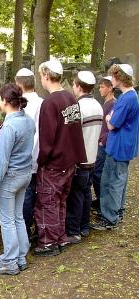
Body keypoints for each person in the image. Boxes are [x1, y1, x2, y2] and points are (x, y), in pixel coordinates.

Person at [34, 60, 87, 256]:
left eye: (41, 75)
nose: (41, 79)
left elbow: (46, 138)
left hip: (54, 163)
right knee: (61, 201)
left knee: (48, 202)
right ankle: (60, 237)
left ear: (47, 75)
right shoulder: (71, 98)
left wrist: (41, 160)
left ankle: (48, 242)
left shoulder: (50, 102)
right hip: (70, 160)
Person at [0, 83, 35, 275]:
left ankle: (10, 261)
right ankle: (21, 256)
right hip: (25, 174)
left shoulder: (9, 127)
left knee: (7, 220)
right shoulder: (28, 121)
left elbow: (2, 163)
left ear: (5, 102)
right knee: (18, 217)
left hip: (11, 177)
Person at [92, 64, 139, 230]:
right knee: (120, 179)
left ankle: (109, 218)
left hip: (118, 145)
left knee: (111, 181)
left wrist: (108, 119)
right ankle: (117, 211)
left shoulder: (126, 99)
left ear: (120, 77)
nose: (111, 79)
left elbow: (112, 124)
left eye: (113, 76)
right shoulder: (132, 95)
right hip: (124, 144)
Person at [66, 71, 103, 243]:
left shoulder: (77, 107)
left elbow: (70, 134)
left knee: (76, 196)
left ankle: (74, 231)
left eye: (74, 84)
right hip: (92, 157)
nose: (73, 87)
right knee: (86, 192)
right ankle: (85, 226)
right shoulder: (98, 105)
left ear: (79, 86)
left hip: (79, 159)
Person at [14, 68, 43, 241]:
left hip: (25, 158)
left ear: (19, 84)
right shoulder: (42, 102)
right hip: (41, 156)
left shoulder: (21, 104)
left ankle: (24, 230)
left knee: (26, 196)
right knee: (35, 194)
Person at [91, 76, 116, 213]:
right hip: (101, 142)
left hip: (104, 144)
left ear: (110, 88)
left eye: (102, 87)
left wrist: (103, 140)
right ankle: (100, 200)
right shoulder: (106, 102)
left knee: (99, 173)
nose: (100, 89)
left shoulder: (113, 103)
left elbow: (112, 125)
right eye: (99, 86)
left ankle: (103, 203)